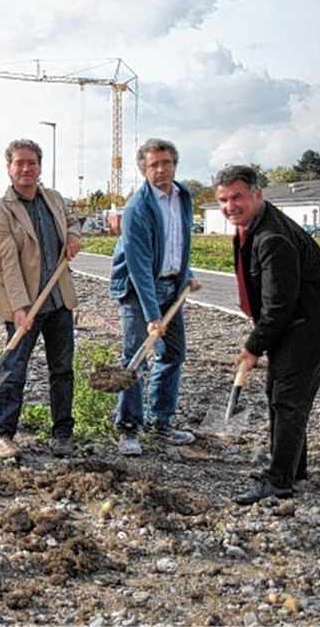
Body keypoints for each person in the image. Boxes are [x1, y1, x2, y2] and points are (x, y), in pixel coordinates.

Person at [214, 165, 320, 504]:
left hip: (308, 327)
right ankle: (293, 467)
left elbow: (280, 305)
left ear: (257, 195)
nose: (230, 205)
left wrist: (253, 347)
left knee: (287, 400)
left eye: (237, 197)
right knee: (279, 392)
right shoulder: (256, 225)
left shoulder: (272, 238)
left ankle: (279, 482)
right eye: (223, 200)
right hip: (298, 324)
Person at [0, 138, 81, 458]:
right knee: (14, 369)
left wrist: (73, 235)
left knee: (62, 369)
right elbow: (8, 263)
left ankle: (63, 433)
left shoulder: (53, 199)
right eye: (19, 163)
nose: (26, 169)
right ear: (9, 168)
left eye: (32, 162)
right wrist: (20, 307)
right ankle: (3, 433)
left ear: (40, 166)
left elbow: (71, 221)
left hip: (58, 301)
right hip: (23, 306)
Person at [109, 138, 202, 456]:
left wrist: (184, 271)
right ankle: (129, 428)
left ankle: (161, 422)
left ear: (175, 165)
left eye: (166, 163)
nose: (161, 169)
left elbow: (178, 241)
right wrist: (151, 315)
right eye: (153, 165)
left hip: (171, 287)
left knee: (173, 354)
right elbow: (138, 265)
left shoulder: (183, 196)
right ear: (143, 169)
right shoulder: (138, 207)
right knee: (135, 359)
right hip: (138, 291)